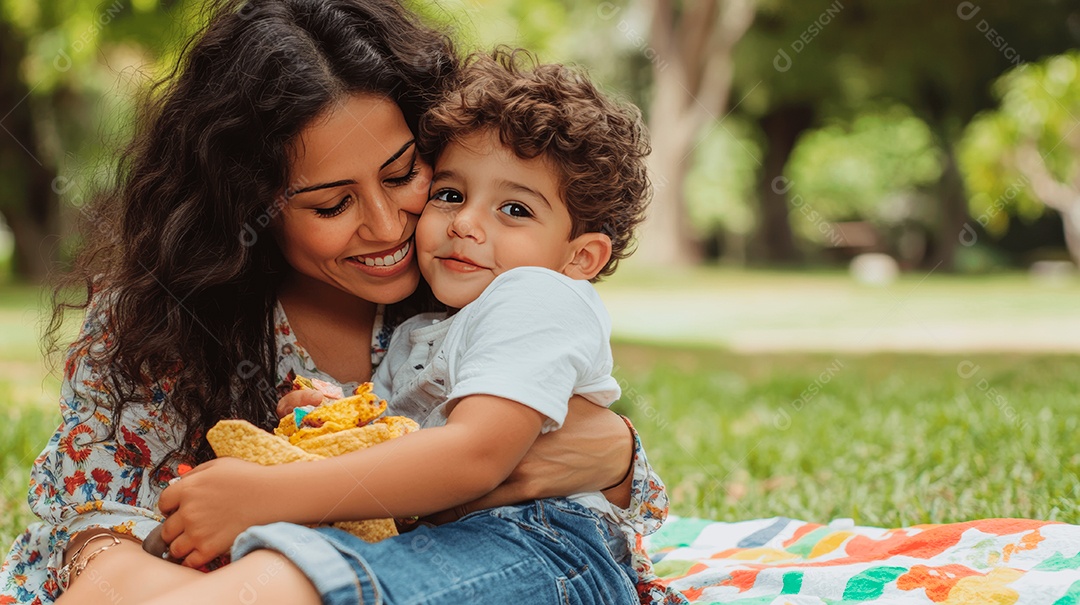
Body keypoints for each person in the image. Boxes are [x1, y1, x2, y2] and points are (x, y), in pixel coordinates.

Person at [0, 1, 669, 604]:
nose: (385, 226)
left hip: (491, 554)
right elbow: (99, 536)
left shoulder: (490, 290)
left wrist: (615, 450)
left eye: (405, 173)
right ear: (250, 202)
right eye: (331, 202)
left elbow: (518, 459)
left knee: (302, 576)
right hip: (268, 566)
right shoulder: (159, 324)